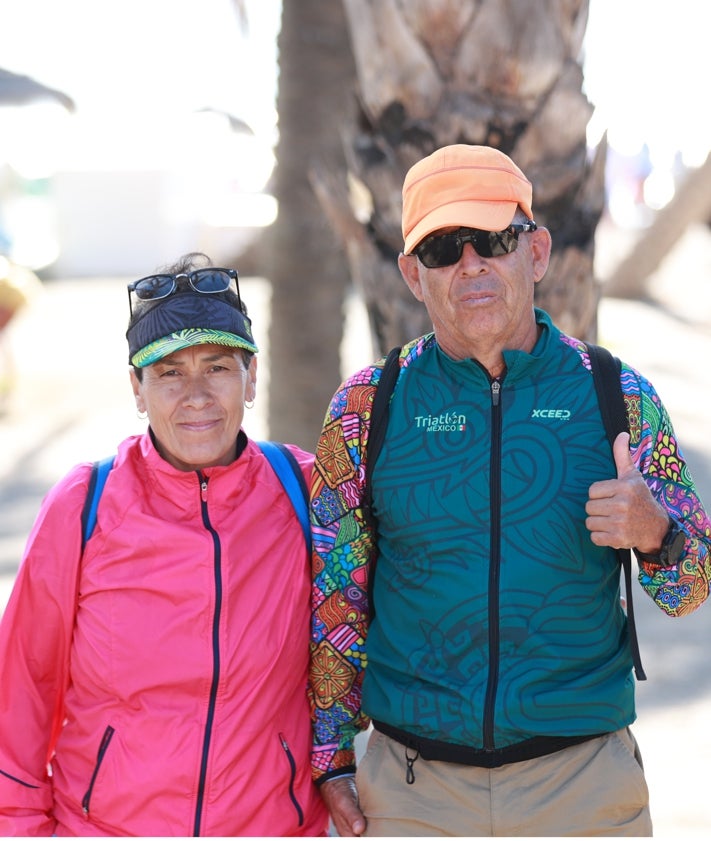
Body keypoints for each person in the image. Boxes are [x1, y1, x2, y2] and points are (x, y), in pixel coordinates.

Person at [308, 145, 711, 836]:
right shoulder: (363, 410)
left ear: (536, 252)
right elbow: (335, 595)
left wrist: (654, 532)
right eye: (440, 248)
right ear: (411, 273)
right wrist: (330, 757)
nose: (470, 264)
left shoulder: (616, 395)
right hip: (413, 792)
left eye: (493, 239)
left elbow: (690, 588)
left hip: (582, 787)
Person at [0, 252, 328, 836]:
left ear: (251, 377)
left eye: (218, 367)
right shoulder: (84, 504)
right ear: (137, 387)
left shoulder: (303, 490)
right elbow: (21, 692)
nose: (196, 395)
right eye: (170, 371)